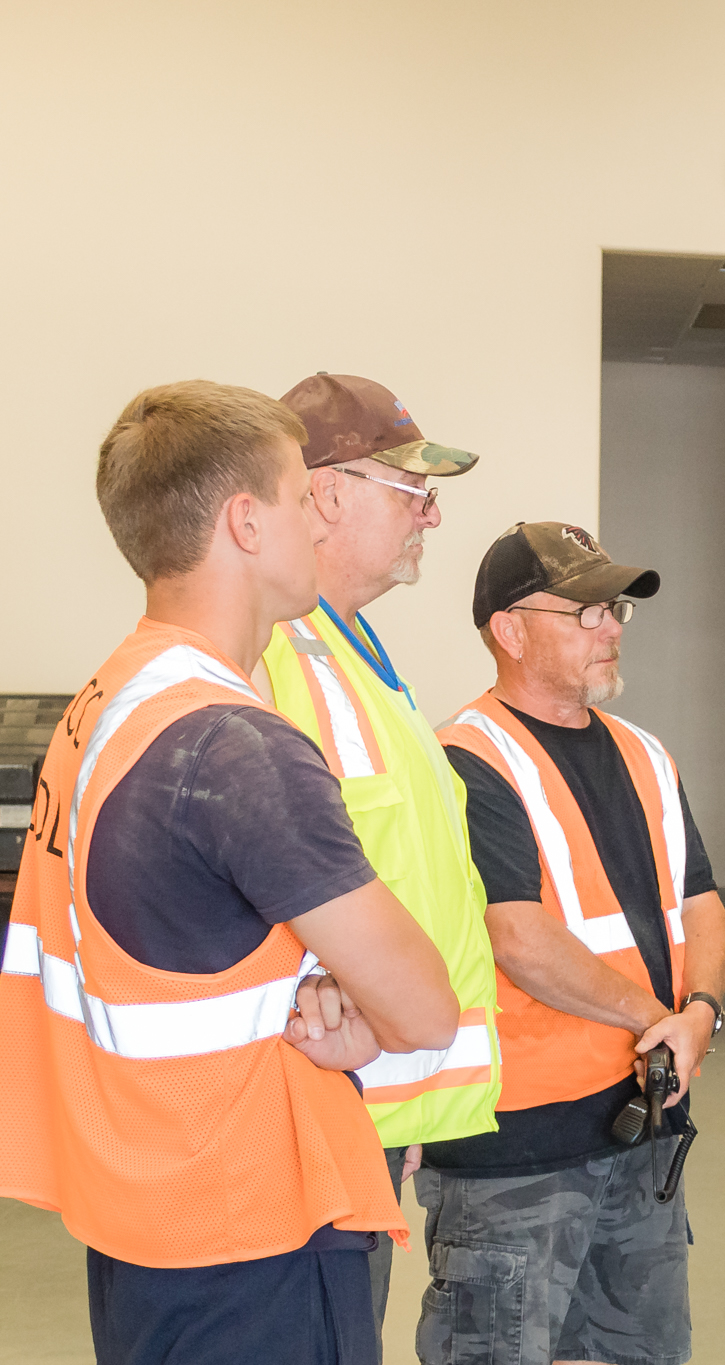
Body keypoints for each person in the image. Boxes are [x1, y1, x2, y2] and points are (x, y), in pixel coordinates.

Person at [0, 380, 459, 1365]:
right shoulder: (235, 746)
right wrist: (357, 1007)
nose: (318, 520)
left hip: (147, 1219)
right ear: (246, 522)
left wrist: (323, 988)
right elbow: (425, 1007)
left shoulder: (110, 699)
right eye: (301, 498)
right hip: (254, 1234)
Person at [422, 521, 725, 1365]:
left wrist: (700, 1011)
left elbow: (701, 903)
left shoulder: (646, 754)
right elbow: (518, 937)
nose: (611, 628)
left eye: (616, 609)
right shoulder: (468, 759)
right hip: (518, 1151)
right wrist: (656, 1017)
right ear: (509, 630)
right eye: (585, 611)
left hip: (644, 1125)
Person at [252, 373, 503, 1338]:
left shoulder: (350, 649)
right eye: (412, 490)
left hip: (370, 1109)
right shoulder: (270, 655)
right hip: (309, 1117)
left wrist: (407, 1106)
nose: (431, 516)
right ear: (324, 493)